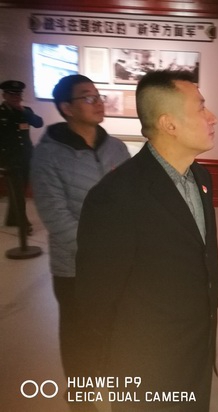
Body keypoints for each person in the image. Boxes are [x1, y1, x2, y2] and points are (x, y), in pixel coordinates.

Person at [75, 70, 218, 412]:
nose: (212, 117)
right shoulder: (117, 195)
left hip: (198, 347)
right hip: (146, 364)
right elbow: (96, 296)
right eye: (201, 107)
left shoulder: (202, 177)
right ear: (169, 124)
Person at [30, 74, 130, 408]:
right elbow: (55, 217)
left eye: (98, 96)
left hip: (115, 265)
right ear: (67, 108)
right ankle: (82, 400)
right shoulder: (48, 156)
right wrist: (100, 250)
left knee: (113, 333)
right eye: (88, 97)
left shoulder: (116, 148)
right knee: (78, 338)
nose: (98, 102)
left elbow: (131, 201)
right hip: (74, 267)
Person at [0, 80, 43, 234]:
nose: (16, 97)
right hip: (9, 159)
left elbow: (38, 123)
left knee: (21, 189)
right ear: (4, 95)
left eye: (18, 94)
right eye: (12, 94)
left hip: (25, 156)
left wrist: (24, 111)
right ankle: (22, 222)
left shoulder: (25, 111)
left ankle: (12, 218)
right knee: (17, 191)